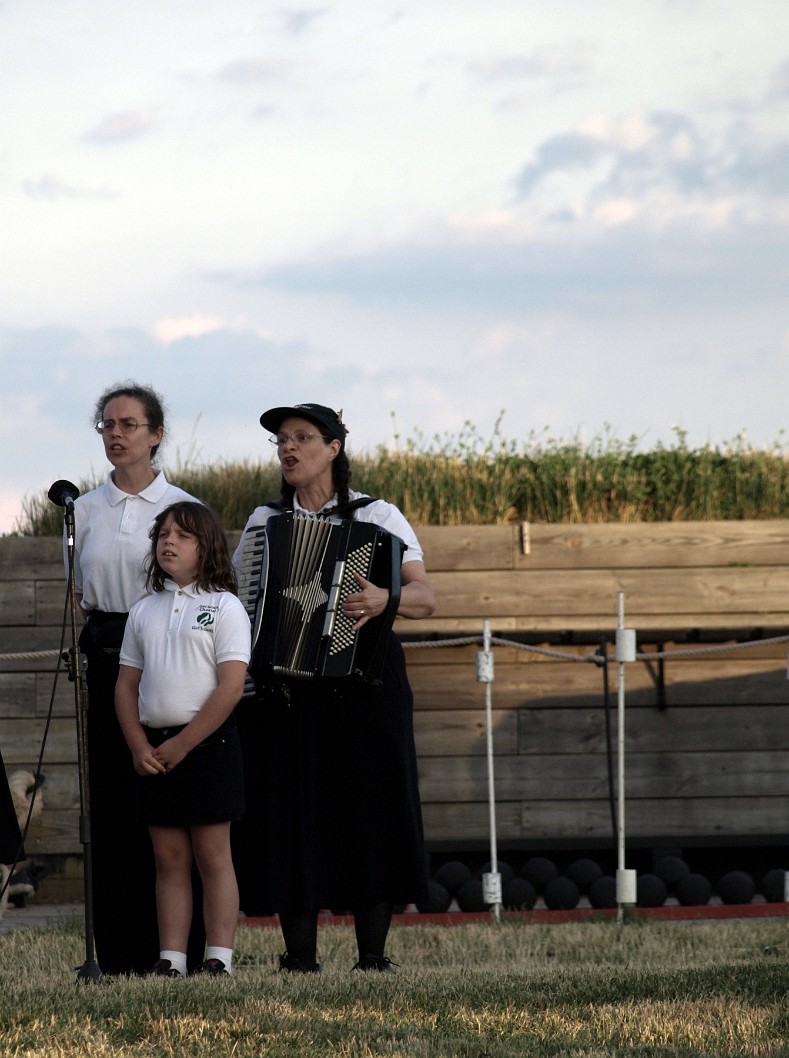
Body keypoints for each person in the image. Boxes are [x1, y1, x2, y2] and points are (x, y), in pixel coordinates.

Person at [232, 402, 436, 972]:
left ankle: (373, 956)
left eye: (301, 438)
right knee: (291, 813)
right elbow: (240, 605)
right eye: (281, 441)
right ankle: (300, 957)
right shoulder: (262, 523)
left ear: (333, 448)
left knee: (372, 810)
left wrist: (384, 598)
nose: (288, 449)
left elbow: (426, 598)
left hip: (365, 690)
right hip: (287, 695)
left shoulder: (380, 516)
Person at [66, 382, 203, 975]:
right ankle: (117, 952)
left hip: (164, 649)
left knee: (168, 799)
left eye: (127, 424)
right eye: (106, 424)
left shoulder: (181, 509)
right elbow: (80, 592)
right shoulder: (84, 509)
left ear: (156, 435)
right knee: (114, 801)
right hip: (104, 651)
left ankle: (178, 951)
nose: (115, 434)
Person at [115, 502, 250, 977]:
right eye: (163, 534)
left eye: (183, 535)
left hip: (208, 747)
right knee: (168, 858)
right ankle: (171, 959)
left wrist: (185, 744)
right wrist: (138, 747)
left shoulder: (225, 607)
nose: (168, 542)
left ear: (207, 546)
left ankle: (219, 957)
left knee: (213, 857)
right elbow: (126, 687)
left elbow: (230, 688)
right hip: (155, 751)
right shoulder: (143, 611)